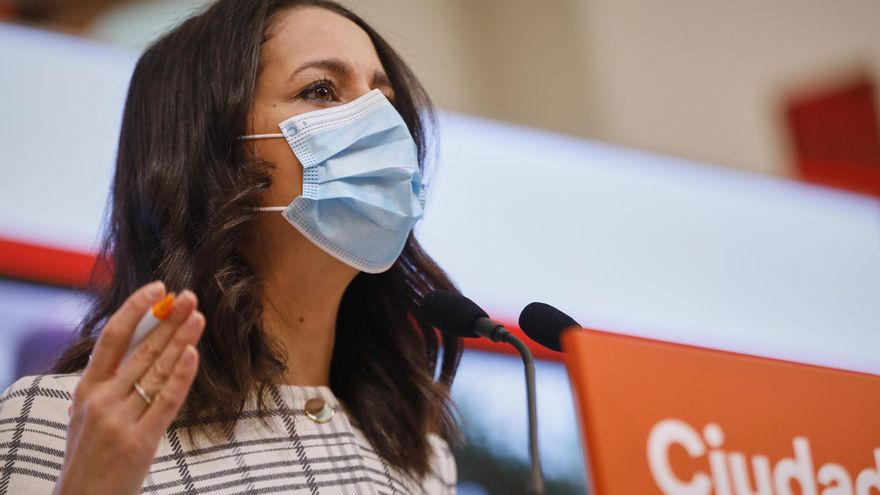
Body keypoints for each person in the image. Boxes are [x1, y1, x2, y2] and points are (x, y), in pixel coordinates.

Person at [0, 0, 464, 493]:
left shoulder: (421, 457)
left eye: (384, 99)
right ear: (209, 151)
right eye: (321, 90)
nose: (379, 125)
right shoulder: (58, 424)